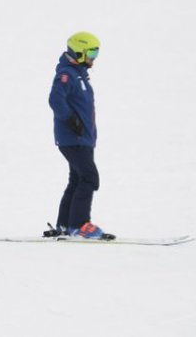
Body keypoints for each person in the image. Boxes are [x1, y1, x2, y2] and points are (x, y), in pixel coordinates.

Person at [46, 32, 114, 240]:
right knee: (89, 178)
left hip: (82, 139)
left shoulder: (79, 74)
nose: (95, 57)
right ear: (79, 51)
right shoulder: (67, 74)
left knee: (77, 179)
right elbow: (55, 100)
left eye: (97, 52)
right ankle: (79, 225)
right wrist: (71, 120)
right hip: (73, 138)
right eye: (92, 52)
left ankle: (65, 225)